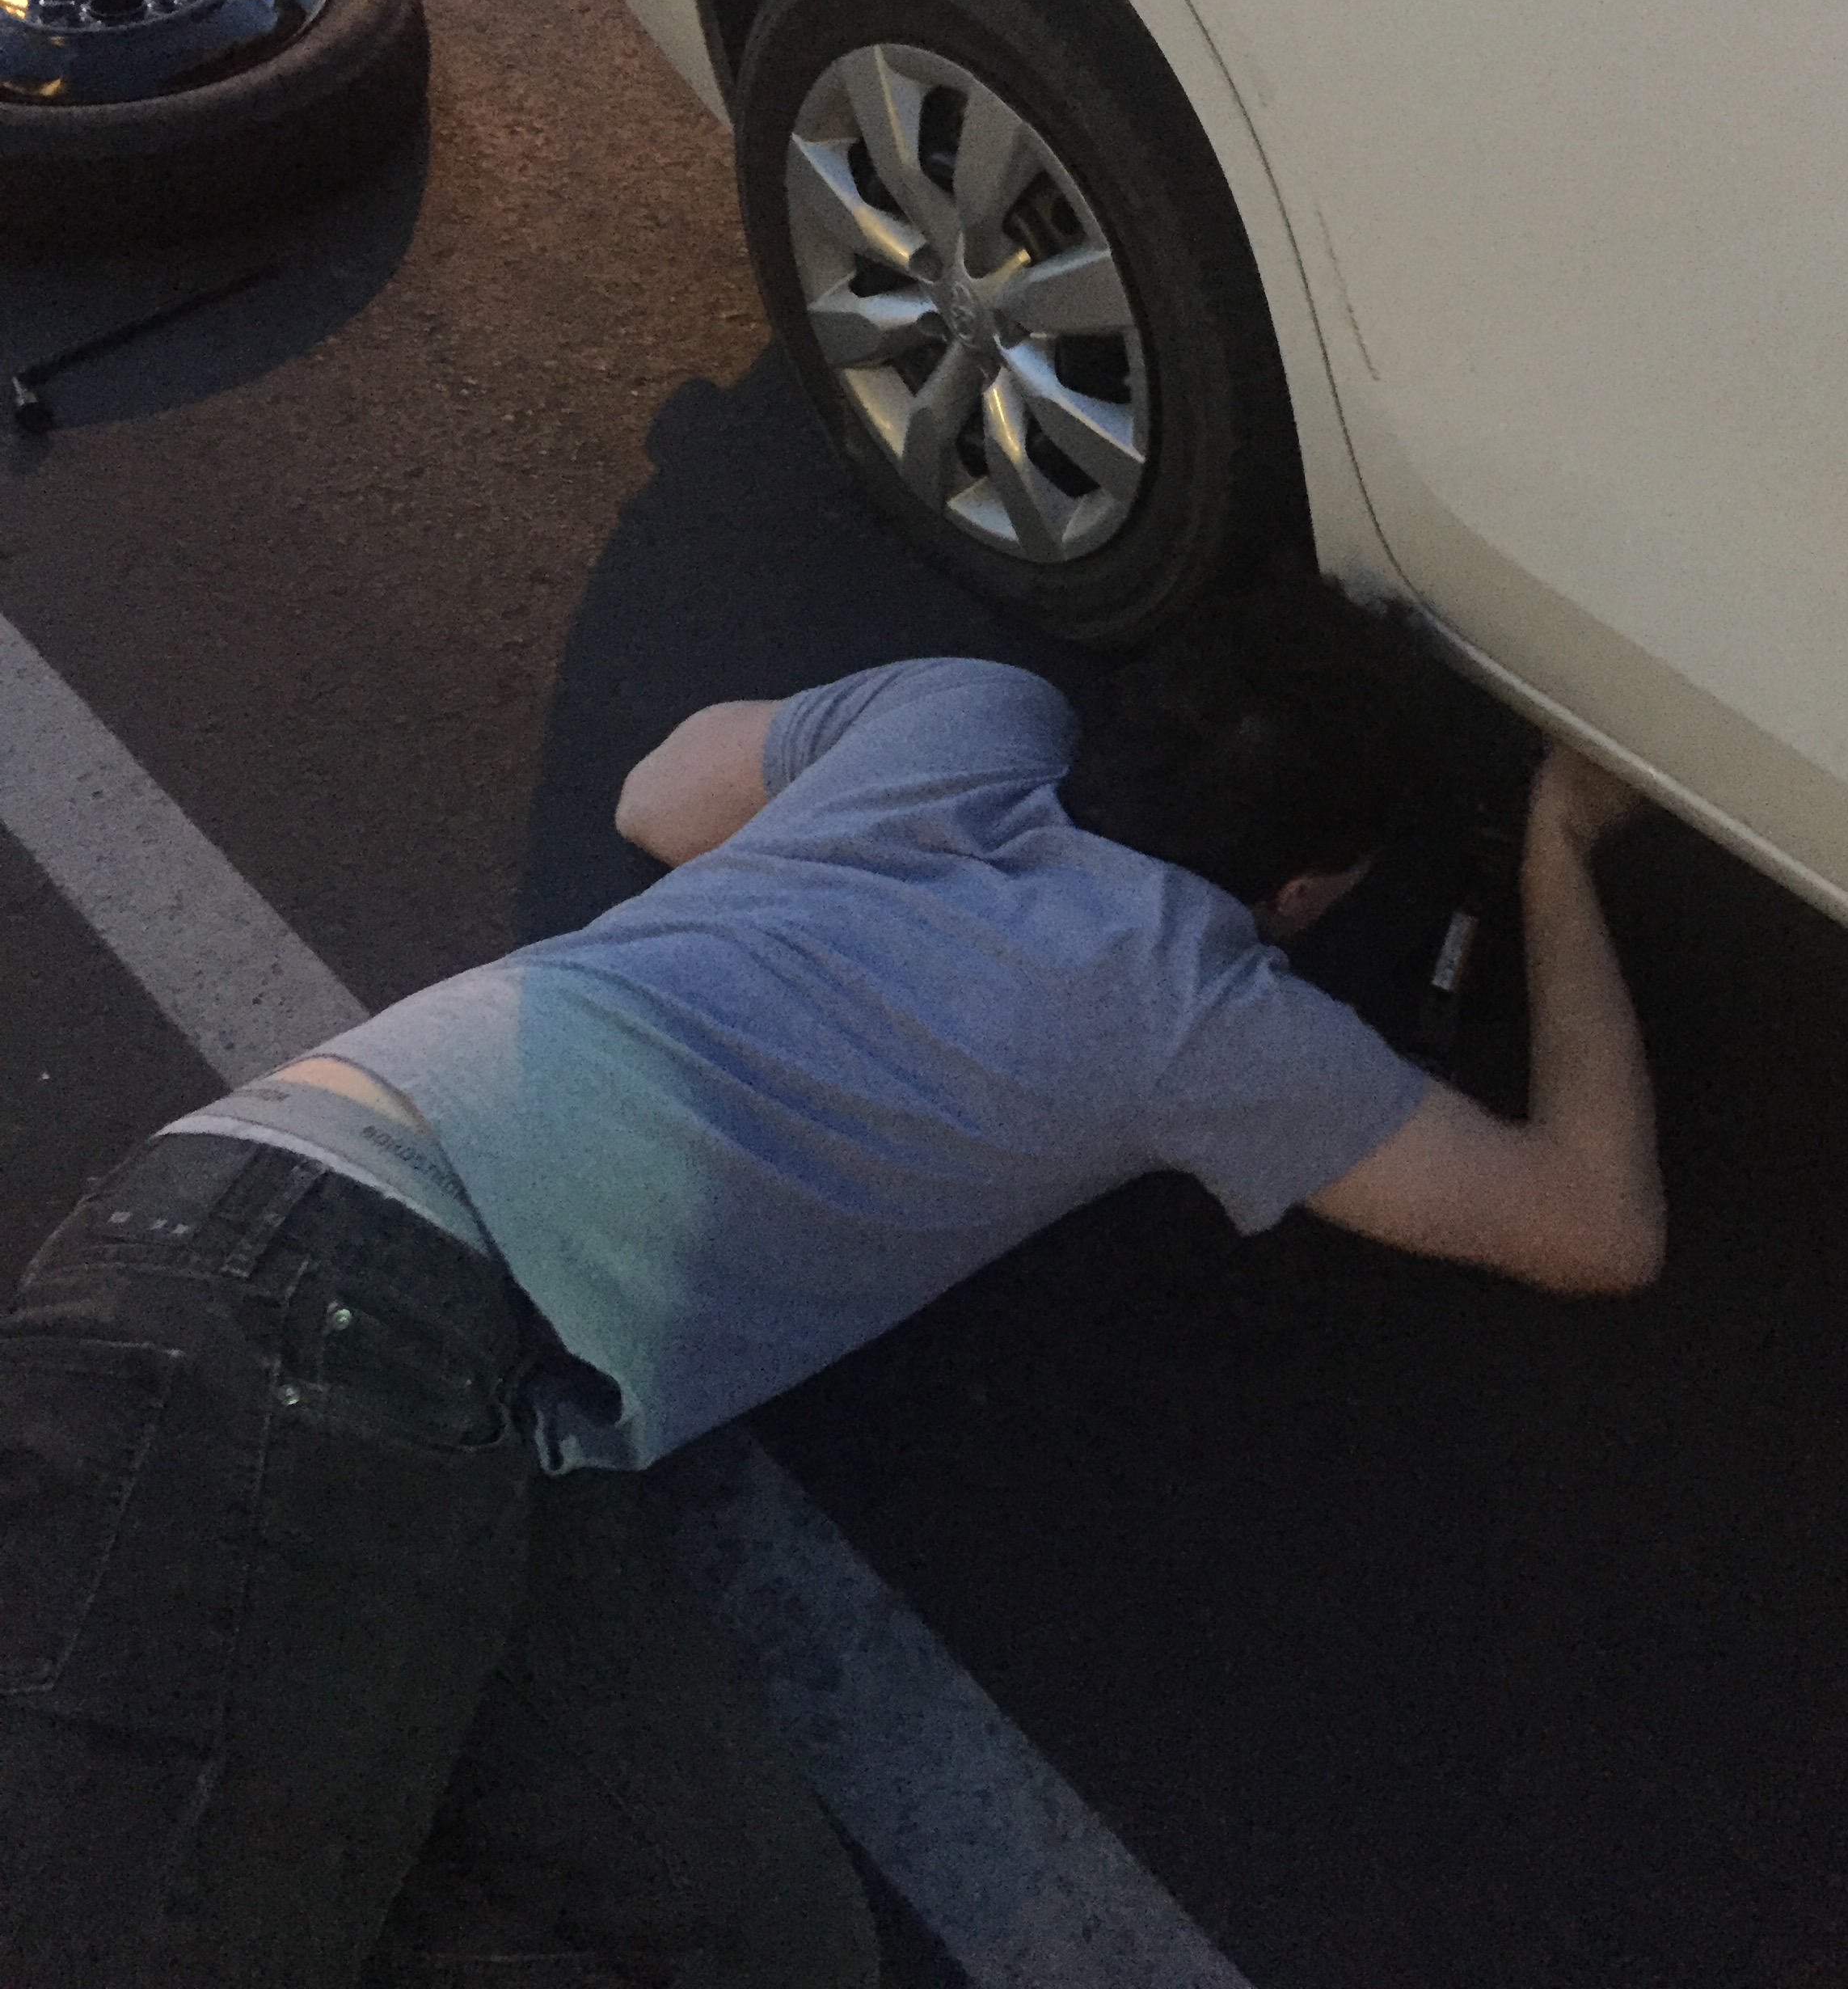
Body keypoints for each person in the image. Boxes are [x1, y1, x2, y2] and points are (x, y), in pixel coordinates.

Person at [0, 572, 1662, 1988]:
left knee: (745, 1934)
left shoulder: (973, 718)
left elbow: (660, 797)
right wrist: (1558, 847)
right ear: (1301, 893)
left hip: (424, 1348)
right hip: (323, 1313)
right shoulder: (1203, 1015)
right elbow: (1595, 1223)